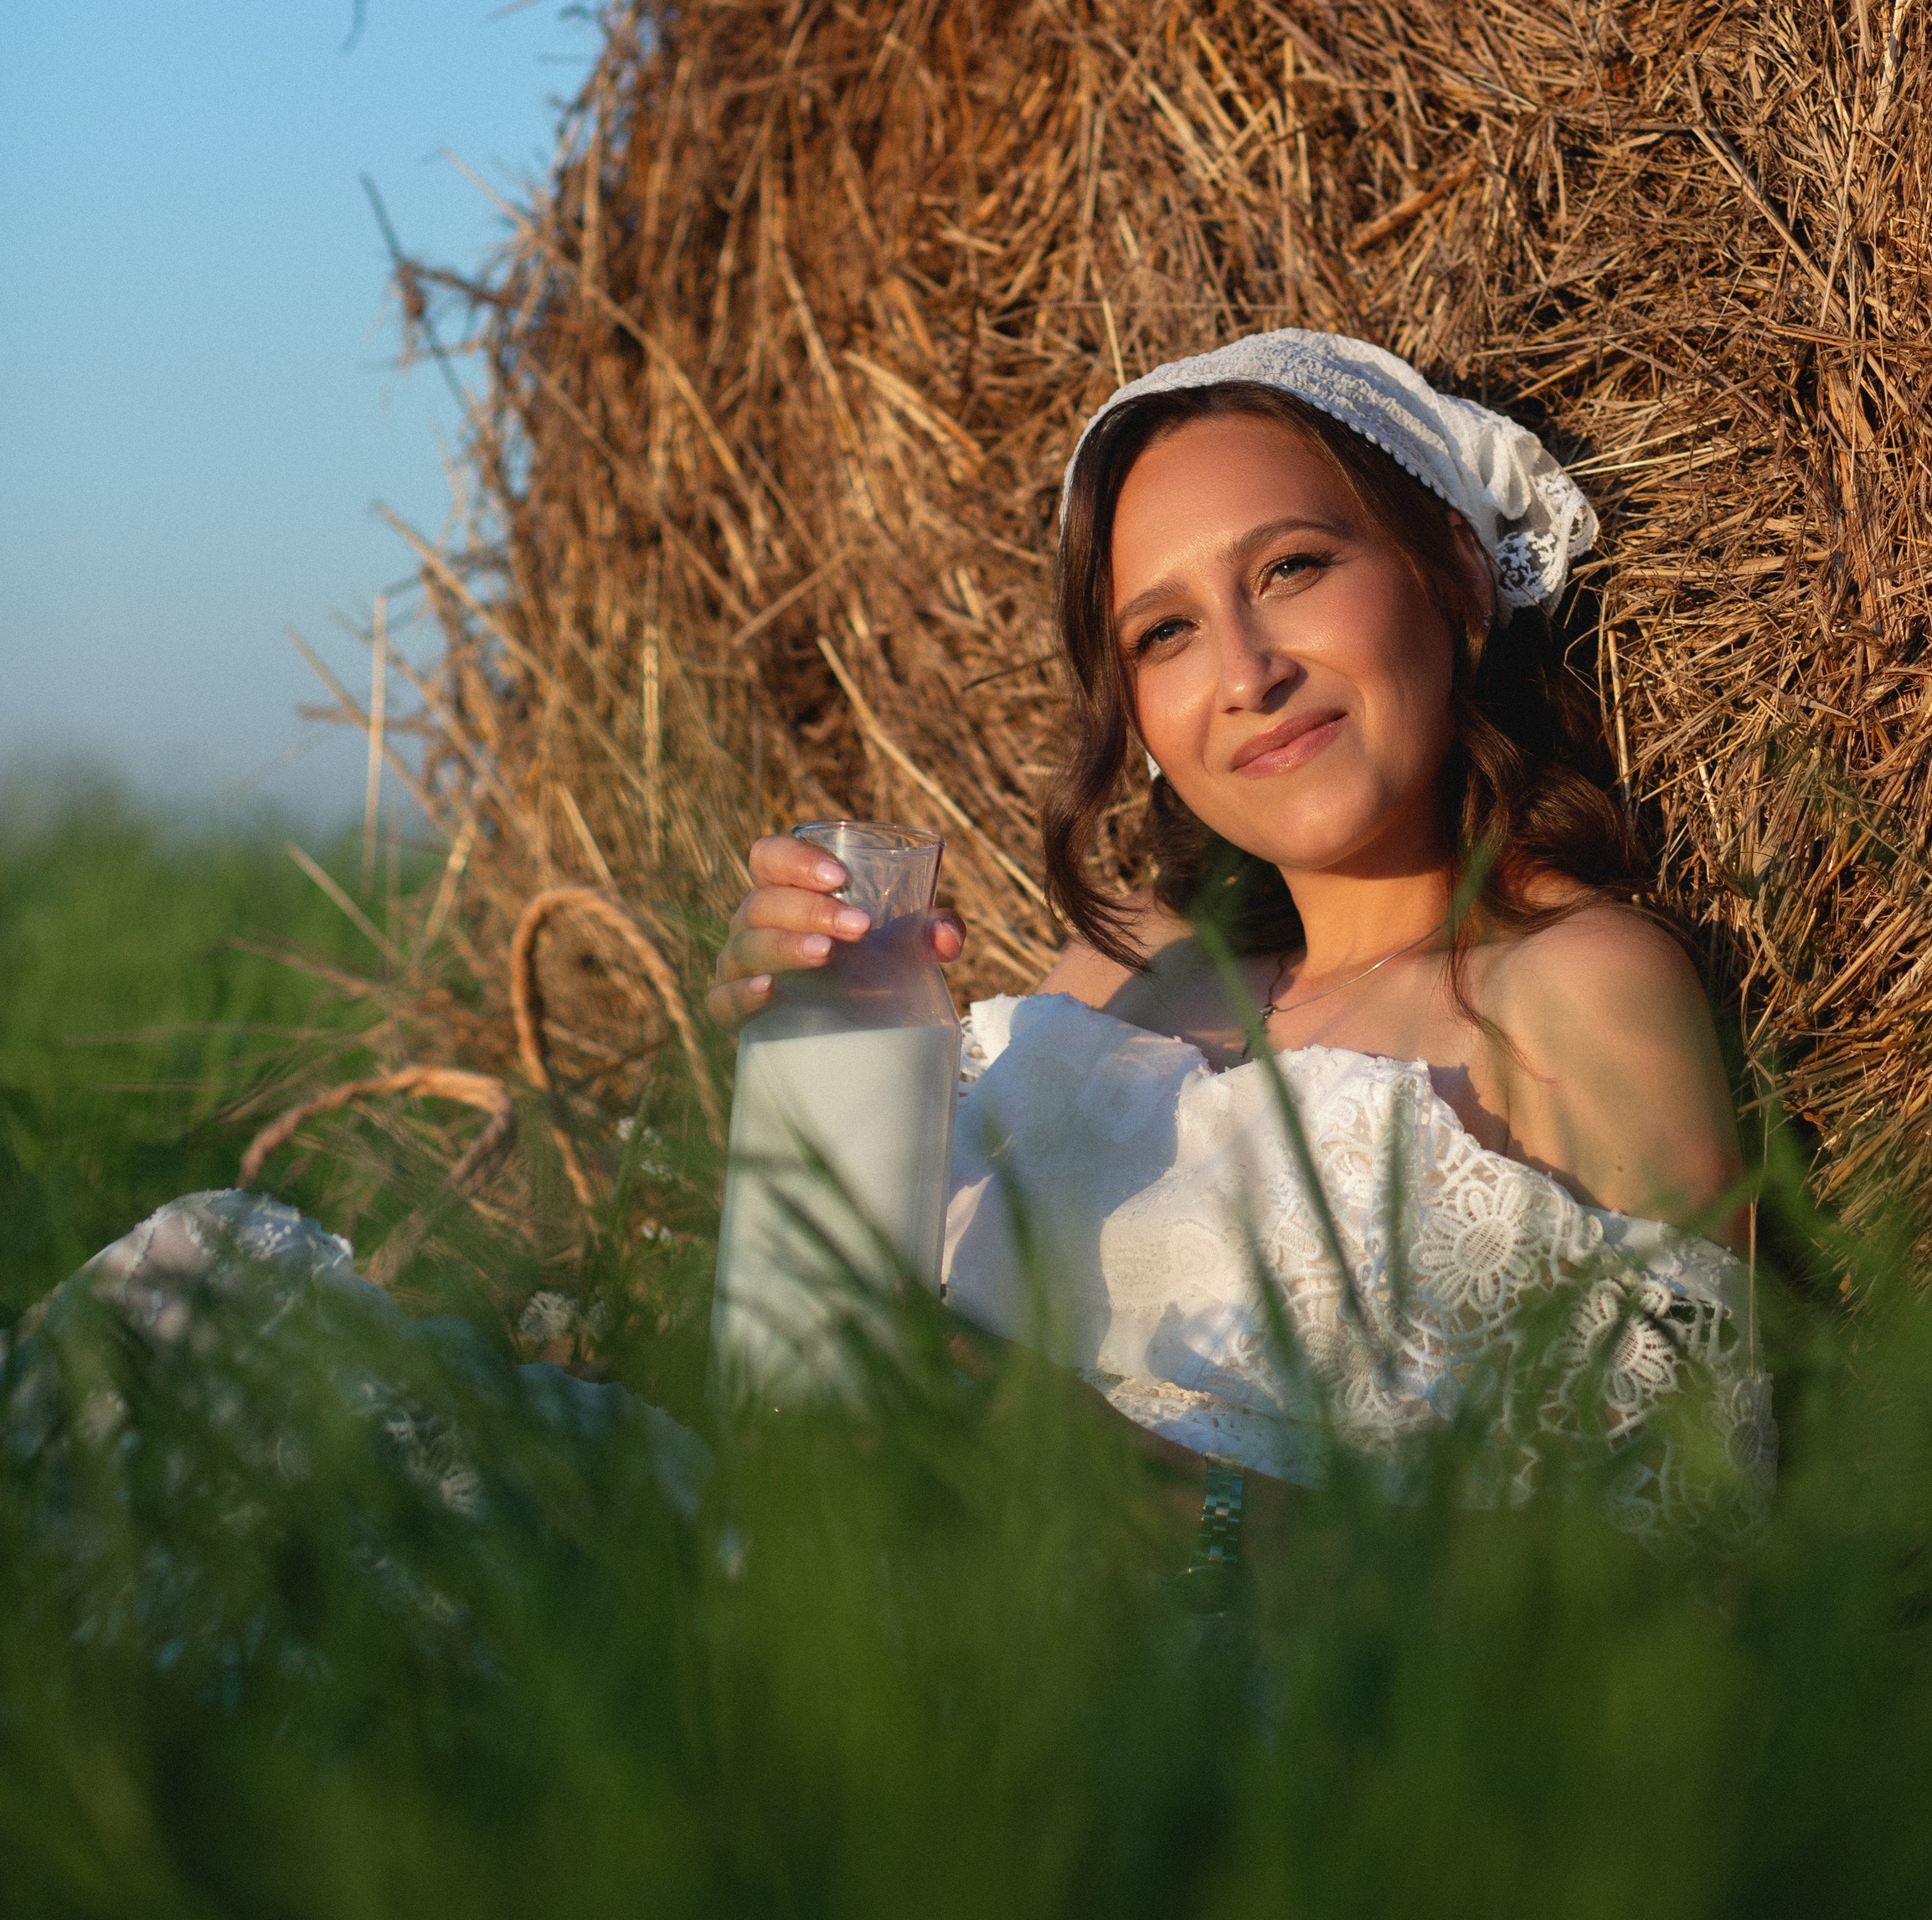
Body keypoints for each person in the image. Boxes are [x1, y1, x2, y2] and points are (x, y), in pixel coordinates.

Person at [716, 331, 1775, 1547]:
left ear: (1457, 575)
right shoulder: (1118, 979)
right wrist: (805, 1040)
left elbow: (1682, 1576)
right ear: (1140, 722)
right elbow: (814, 1358)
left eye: (1293, 568)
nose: (1246, 671)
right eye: (1163, 633)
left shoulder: (1571, 990)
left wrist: (1111, 1475)